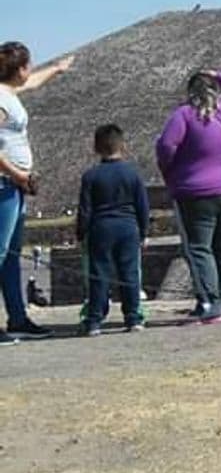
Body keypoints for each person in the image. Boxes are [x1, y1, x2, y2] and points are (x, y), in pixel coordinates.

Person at [156, 69, 221, 325]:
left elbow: (165, 145)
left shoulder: (183, 115)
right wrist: (220, 75)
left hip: (196, 192)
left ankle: (210, 305)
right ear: (215, 90)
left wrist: (171, 172)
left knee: (198, 249)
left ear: (190, 93)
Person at [0, 41, 73, 344]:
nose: (30, 71)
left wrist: (57, 68)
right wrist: (17, 174)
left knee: (11, 257)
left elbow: (34, 81)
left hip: (15, 186)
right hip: (5, 185)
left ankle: (18, 318)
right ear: (19, 68)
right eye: (28, 65)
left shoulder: (10, 92)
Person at [77, 125, 150, 335]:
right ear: (123, 146)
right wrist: (144, 232)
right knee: (130, 273)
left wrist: (81, 234)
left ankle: (94, 321)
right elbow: (142, 206)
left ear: (96, 148)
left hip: (100, 228)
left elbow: (85, 209)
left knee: (99, 274)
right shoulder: (132, 174)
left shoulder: (91, 176)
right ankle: (133, 318)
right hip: (128, 227)